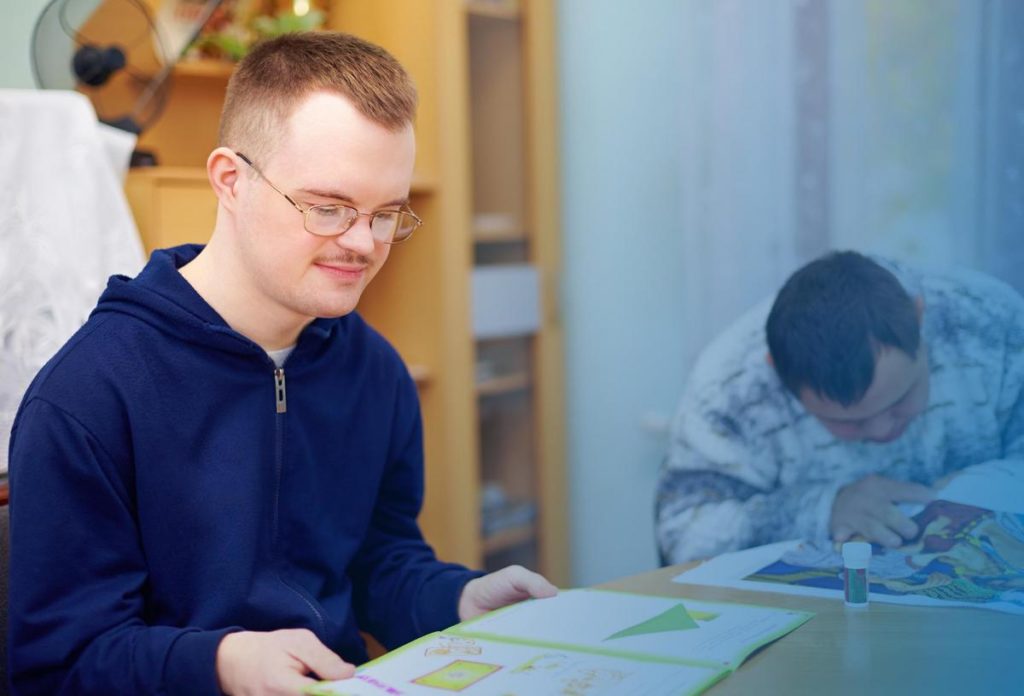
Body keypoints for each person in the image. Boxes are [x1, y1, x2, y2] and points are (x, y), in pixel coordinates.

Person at [7, 32, 555, 695]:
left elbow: (376, 563)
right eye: (328, 208)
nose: (362, 244)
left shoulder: (375, 371)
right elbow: (58, 665)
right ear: (231, 181)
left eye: (386, 214)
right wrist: (219, 664)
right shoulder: (88, 396)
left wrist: (458, 600)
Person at [655, 251, 1024, 564]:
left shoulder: (992, 325)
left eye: (899, 400)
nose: (882, 431)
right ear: (776, 374)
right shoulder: (733, 385)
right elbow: (682, 535)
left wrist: (973, 491)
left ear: (919, 318)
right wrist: (819, 510)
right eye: (851, 422)